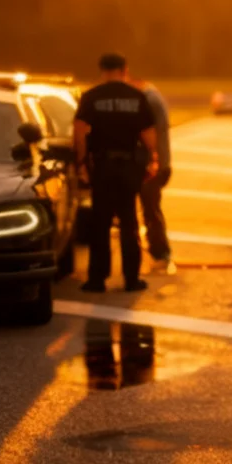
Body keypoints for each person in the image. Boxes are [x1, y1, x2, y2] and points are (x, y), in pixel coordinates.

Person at [73, 53, 159, 292]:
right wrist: (153, 159)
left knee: (100, 223)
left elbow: (79, 131)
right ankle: (132, 279)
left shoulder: (91, 97)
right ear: (125, 69)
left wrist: (80, 163)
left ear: (102, 70)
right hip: (129, 167)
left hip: (102, 166)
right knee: (129, 221)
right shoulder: (136, 97)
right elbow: (149, 133)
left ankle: (97, 279)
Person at [136, 77, 173, 272]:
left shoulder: (147, 100)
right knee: (151, 209)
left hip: (153, 166)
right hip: (160, 164)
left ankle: (160, 252)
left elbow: (148, 133)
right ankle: (159, 252)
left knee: (150, 210)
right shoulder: (154, 96)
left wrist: (152, 161)